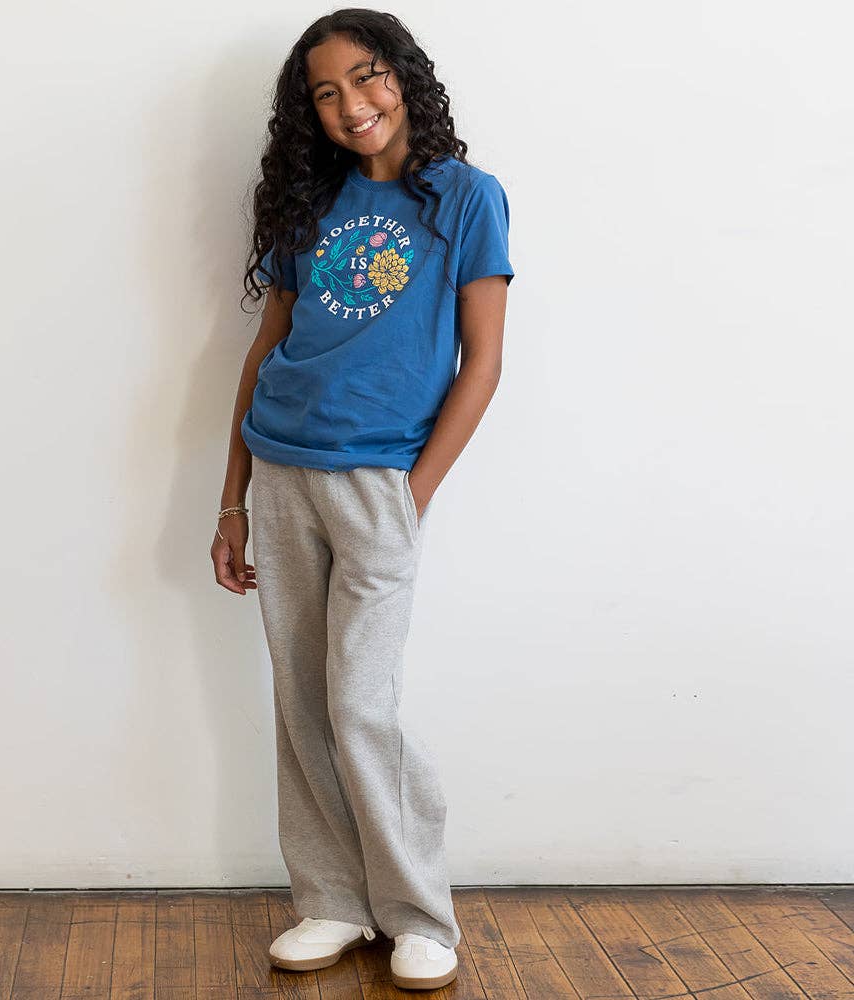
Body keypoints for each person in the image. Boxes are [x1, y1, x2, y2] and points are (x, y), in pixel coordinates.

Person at [212, 9, 514, 991]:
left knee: (359, 702)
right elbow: (265, 352)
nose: (352, 104)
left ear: (405, 76)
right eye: (326, 93)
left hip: (381, 479)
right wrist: (231, 500)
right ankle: (333, 900)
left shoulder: (465, 197)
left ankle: (418, 913)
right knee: (303, 701)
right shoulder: (311, 203)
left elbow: (481, 365)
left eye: (369, 76)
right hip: (281, 471)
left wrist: (411, 495)